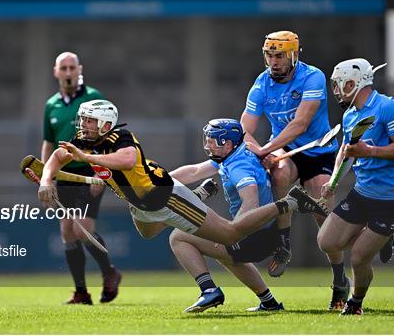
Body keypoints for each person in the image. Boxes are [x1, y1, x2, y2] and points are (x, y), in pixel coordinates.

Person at [37, 100, 328, 297]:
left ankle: (290, 202)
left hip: (169, 199)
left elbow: (126, 161)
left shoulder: (122, 138)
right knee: (151, 234)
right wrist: (48, 178)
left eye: (88, 121)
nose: (82, 125)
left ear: (104, 124)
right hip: (143, 204)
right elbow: (58, 156)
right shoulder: (83, 143)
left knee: (223, 235)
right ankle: (199, 197)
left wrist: (85, 158)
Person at [242, 31, 348, 310]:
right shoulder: (261, 84)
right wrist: (256, 149)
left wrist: (266, 149)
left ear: (294, 55)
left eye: (279, 56)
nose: (273, 62)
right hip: (283, 151)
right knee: (278, 173)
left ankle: (339, 280)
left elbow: (300, 124)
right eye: (269, 56)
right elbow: (246, 130)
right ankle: (283, 241)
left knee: (323, 220)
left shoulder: (312, 77)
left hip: (318, 152)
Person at [316, 58, 394, 315]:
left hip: (392, 198)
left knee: (359, 257)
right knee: (326, 241)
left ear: (354, 83)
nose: (336, 90)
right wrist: (333, 181)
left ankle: (355, 302)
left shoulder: (388, 107)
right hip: (363, 193)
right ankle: (378, 238)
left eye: (339, 85)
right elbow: (346, 150)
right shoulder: (350, 114)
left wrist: (369, 151)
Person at [168, 118, 284, 313]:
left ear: (228, 143)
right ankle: (269, 302)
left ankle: (209, 290)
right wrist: (157, 179)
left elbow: (251, 202)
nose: (207, 145)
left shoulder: (239, 166)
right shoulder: (232, 156)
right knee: (228, 257)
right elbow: (194, 171)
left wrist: (231, 234)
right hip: (264, 232)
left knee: (178, 237)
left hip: (257, 236)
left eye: (211, 141)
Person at [41, 52, 121, 305]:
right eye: (63, 68)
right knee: (67, 230)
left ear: (79, 70)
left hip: (90, 171)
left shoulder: (94, 97)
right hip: (65, 174)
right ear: (56, 72)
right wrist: (47, 175)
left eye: (71, 67)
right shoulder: (51, 105)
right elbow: (49, 143)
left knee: (82, 228)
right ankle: (81, 292)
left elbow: (108, 137)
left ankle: (109, 273)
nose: (67, 72)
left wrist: (102, 174)